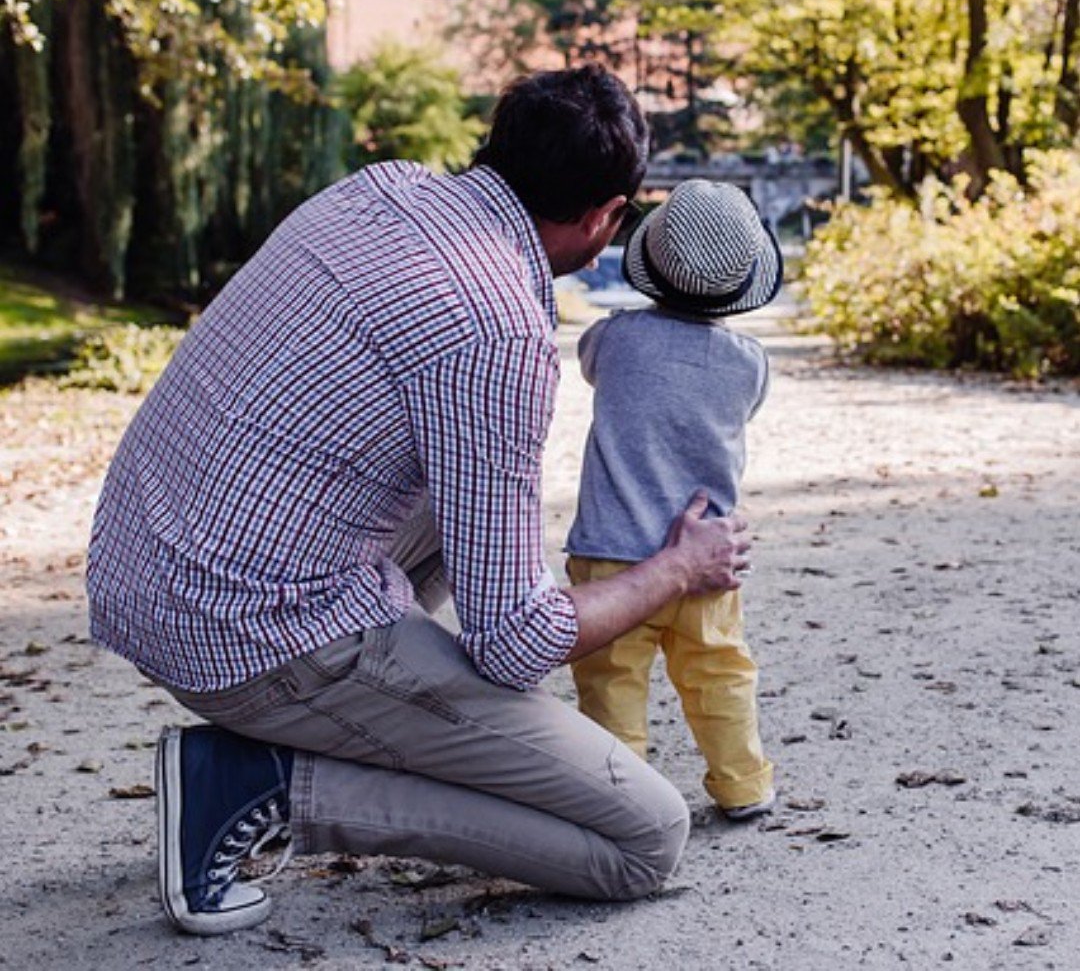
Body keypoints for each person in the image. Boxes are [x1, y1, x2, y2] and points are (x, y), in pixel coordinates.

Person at [86, 65, 752, 937]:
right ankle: (261, 787)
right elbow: (519, 644)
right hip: (248, 632)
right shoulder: (501, 330)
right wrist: (674, 569)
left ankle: (379, 708)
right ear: (604, 218)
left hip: (146, 568)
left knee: (471, 494)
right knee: (643, 838)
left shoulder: (382, 187)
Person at [565, 179, 782, 821]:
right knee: (720, 673)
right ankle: (743, 783)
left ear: (649, 266)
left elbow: (586, 362)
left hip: (611, 559)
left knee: (611, 684)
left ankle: (622, 798)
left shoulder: (615, 340)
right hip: (708, 558)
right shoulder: (749, 363)